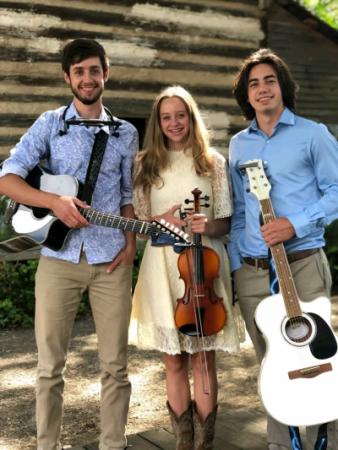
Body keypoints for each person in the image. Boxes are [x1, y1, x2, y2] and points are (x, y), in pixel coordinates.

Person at [0, 38, 138, 450]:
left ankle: (114, 444)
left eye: (94, 70)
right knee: (49, 367)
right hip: (58, 259)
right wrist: (54, 202)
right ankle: (48, 446)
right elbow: (8, 178)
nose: (87, 78)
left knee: (115, 366)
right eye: (79, 71)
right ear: (67, 77)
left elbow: (129, 195)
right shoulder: (49, 124)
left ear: (106, 74)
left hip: (111, 258)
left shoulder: (126, 132)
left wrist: (130, 245)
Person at [228, 48, 338, 450]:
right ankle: (280, 443)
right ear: (246, 94)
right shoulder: (238, 145)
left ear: (282, 86)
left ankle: (327, 441)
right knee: (271, 363)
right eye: (253, 83)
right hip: (254, 271)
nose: (262, 89)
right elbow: (240, 210)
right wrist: (240, 263)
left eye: (269, 80)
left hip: (303, 263)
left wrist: (296, 222)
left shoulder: (314, 134)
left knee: (318, 360)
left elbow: (337, 192)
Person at [129, 85, 241, 450]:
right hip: (162, 269)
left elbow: (224, 222)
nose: (174, 123)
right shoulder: (145, 162)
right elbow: (144, 227)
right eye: (166, 117)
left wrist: (207, 226)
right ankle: (182, 444)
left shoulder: (213, 162)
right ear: (158, 123)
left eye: (181, 115)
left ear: (191, 118)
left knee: (203, 363)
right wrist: (158, 220)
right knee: (174, 361)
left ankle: (204, 445)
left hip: (202, 268)